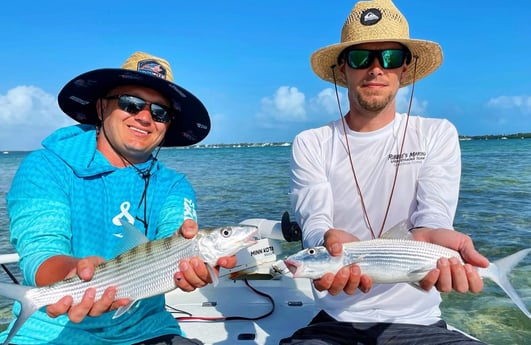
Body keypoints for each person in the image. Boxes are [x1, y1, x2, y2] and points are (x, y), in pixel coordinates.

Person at [282, 1, 490, 344]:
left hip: (421, 321)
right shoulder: (311, 143)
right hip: (337, 318)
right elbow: (315, 220)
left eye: (390, 58)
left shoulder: (437, 134)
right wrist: (326, 245)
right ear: (342, 69)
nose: (376, 69)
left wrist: (432, 235)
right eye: (361, 57)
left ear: (404, 70)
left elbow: (433, 215)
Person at [0, 51, 237, 344]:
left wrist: (193, 267)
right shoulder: (46, 166)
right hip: (48, 329)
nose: (145, 117)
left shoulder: (174, 185)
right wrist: (78, 274)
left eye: (160, 112)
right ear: (101, 108)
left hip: (146, 328)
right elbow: (40, 251)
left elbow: (178, 235)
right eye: (131, 103)